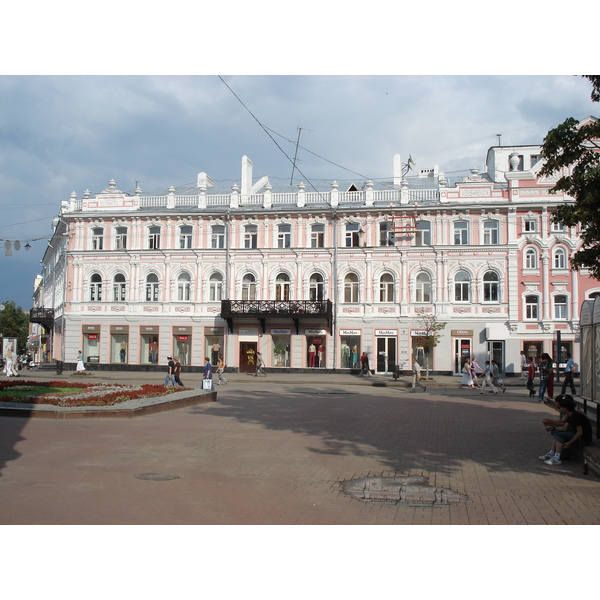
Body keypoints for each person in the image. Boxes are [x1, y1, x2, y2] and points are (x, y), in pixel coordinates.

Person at [538, 395, 593, 465]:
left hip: (583, 439)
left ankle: (557, 457)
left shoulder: (576, 416)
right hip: (575, 434)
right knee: (558, 432)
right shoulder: (570, 415)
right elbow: (565, 427)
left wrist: (569, 442)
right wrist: (553, 428)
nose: (560, 409)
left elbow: (580, 432)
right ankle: (553, 453)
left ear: (565, 408)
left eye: (562, 408)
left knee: (560, 435)